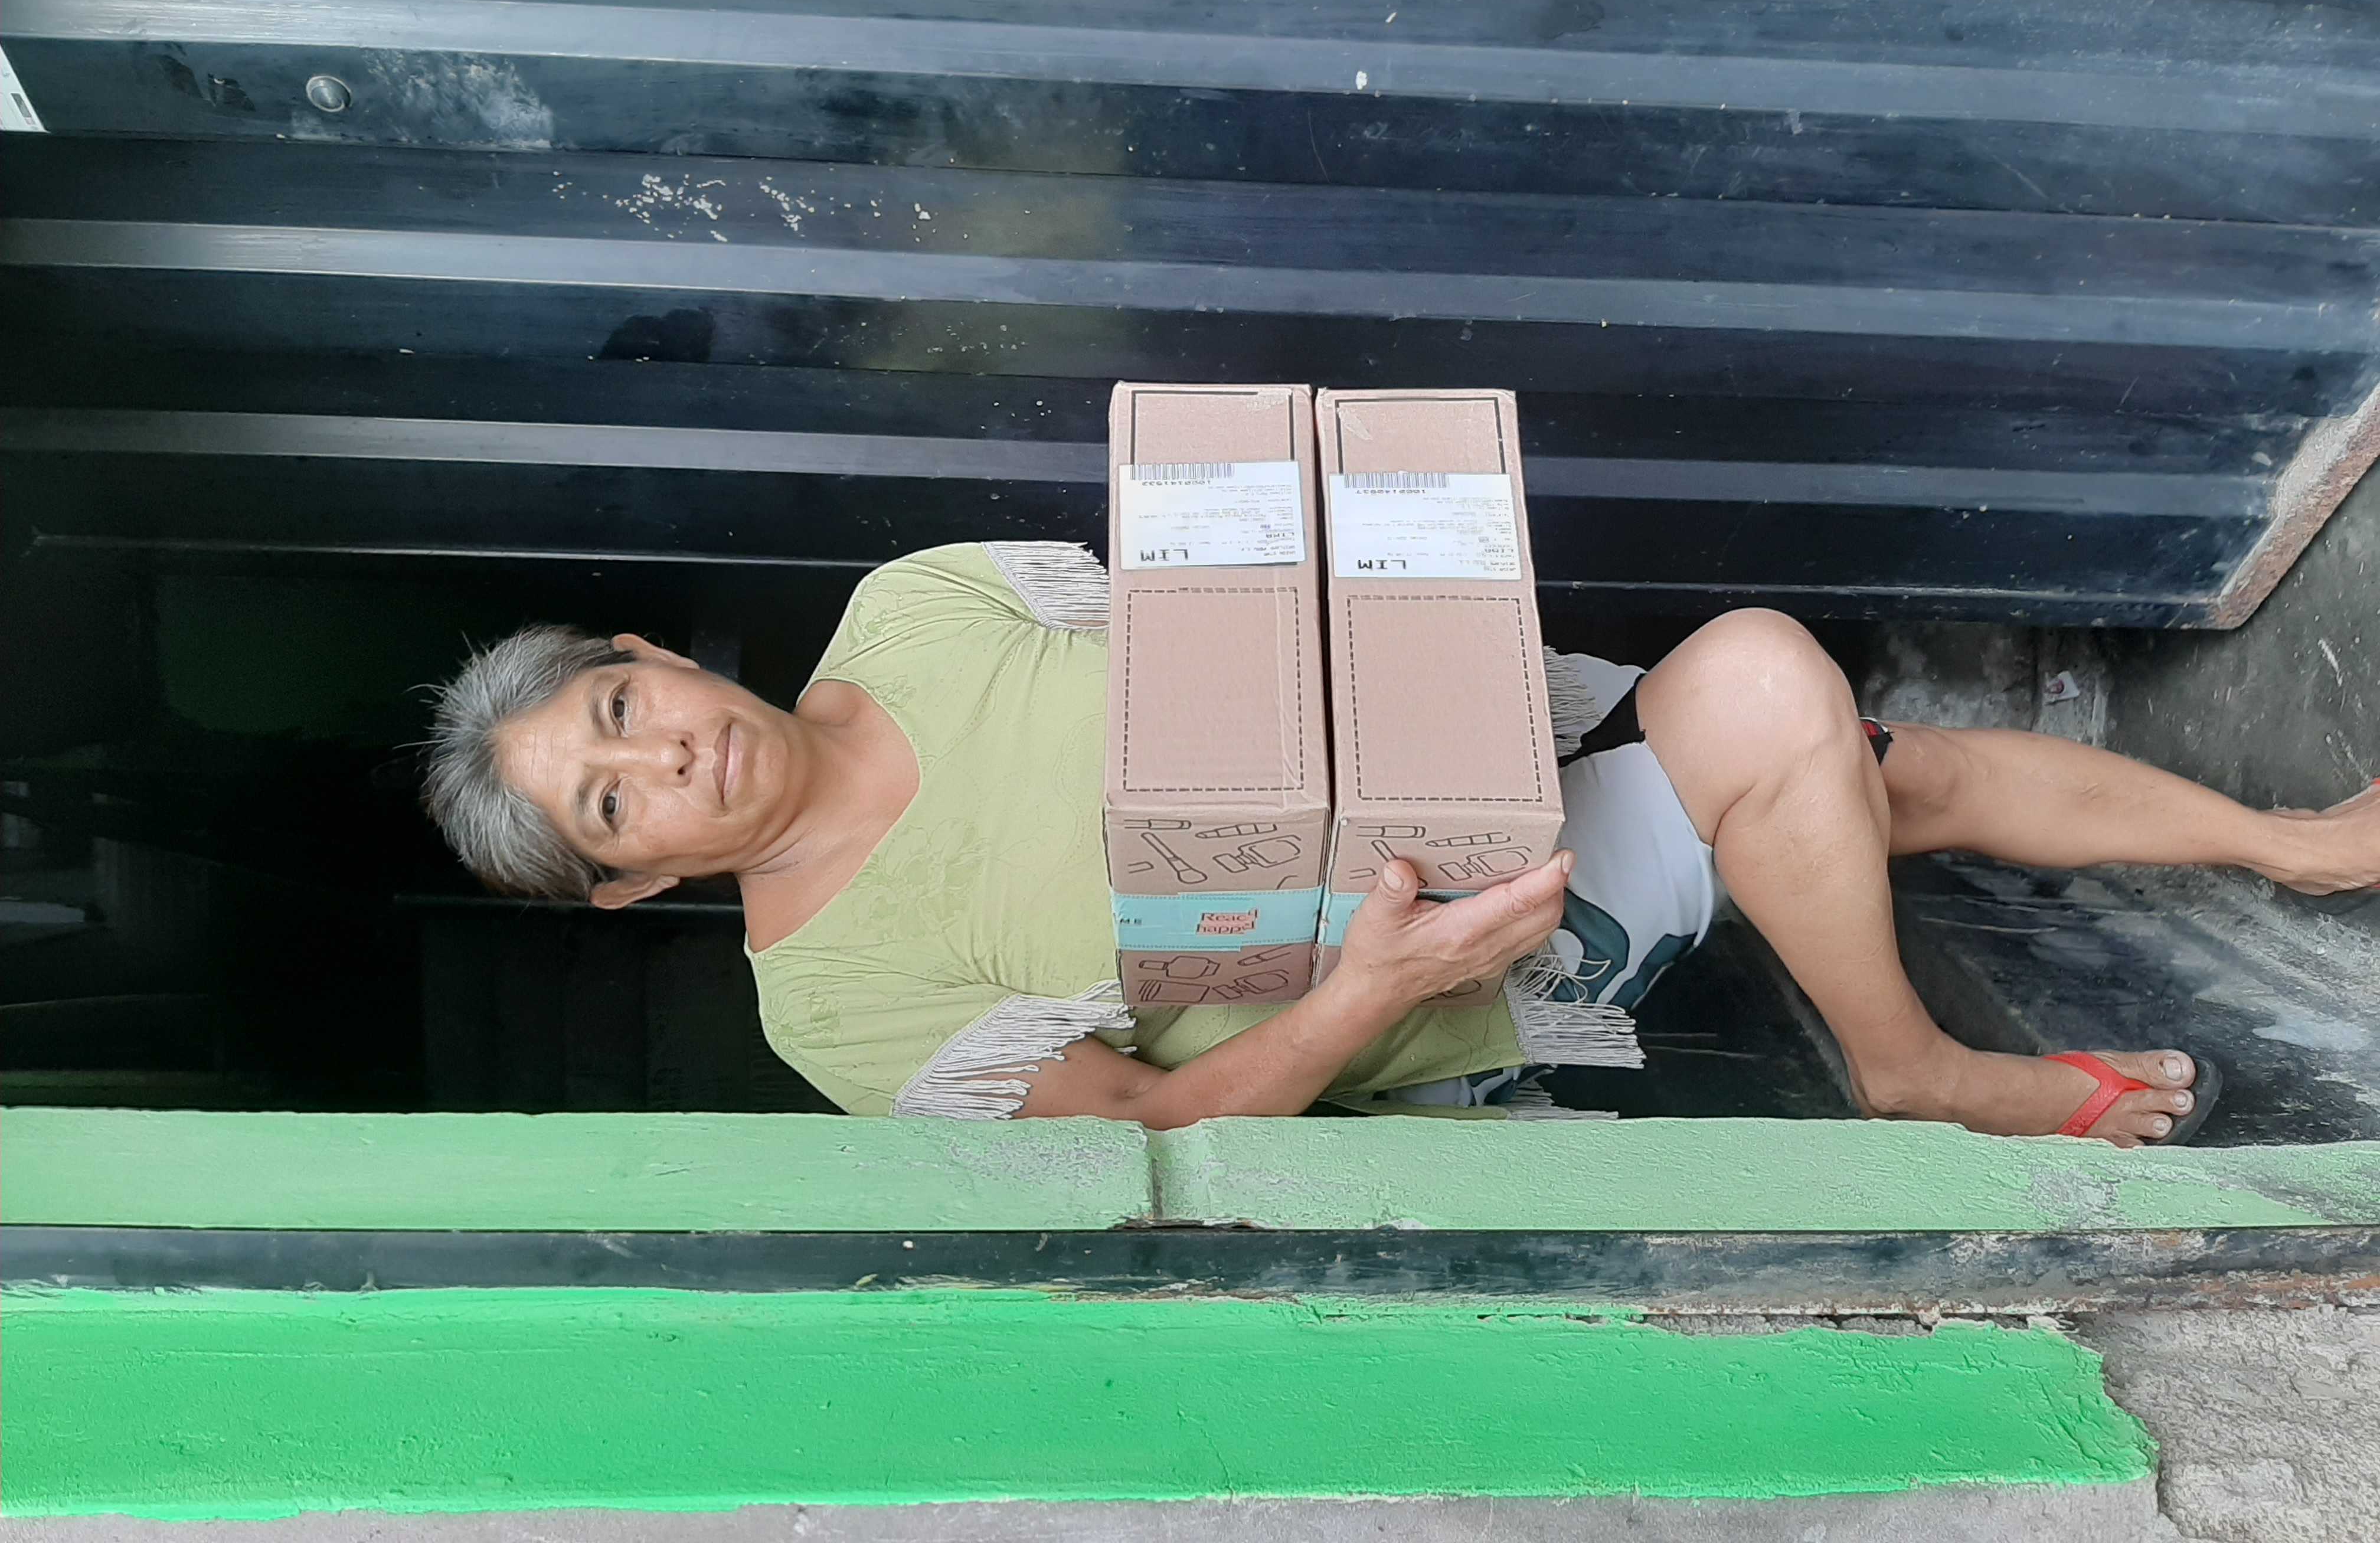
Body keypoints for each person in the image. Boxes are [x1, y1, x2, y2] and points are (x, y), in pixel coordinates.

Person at [422, 541, 2378, 1140]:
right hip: (1462, 953)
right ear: (637, 881)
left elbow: (1223, 606)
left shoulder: (916, 605)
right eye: (617, 803)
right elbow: (1146, 1130)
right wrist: (1378, 987)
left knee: (1873, 774)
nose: (669, 760)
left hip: (1479, 779)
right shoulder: (831, 1005)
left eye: (621, 715)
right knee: (1780, 704)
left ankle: (2299, 850)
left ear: (650, 658)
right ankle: (1912, 1068)